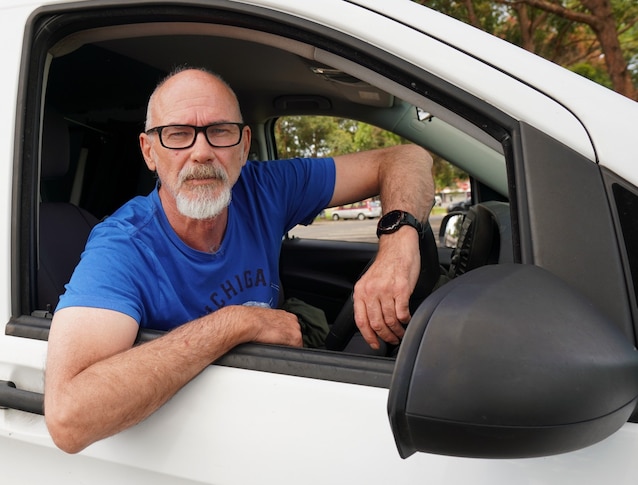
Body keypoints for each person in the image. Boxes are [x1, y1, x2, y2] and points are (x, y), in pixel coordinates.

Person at [44, 67, 434, 453]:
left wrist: (398, 244)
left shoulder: (265, 187)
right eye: (178, 134)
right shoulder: (123, 246)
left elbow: (406, 158)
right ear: (149, 151)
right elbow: (68, 418)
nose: (201, 152)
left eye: (220, 131)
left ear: (244, 145)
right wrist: (237, 322)